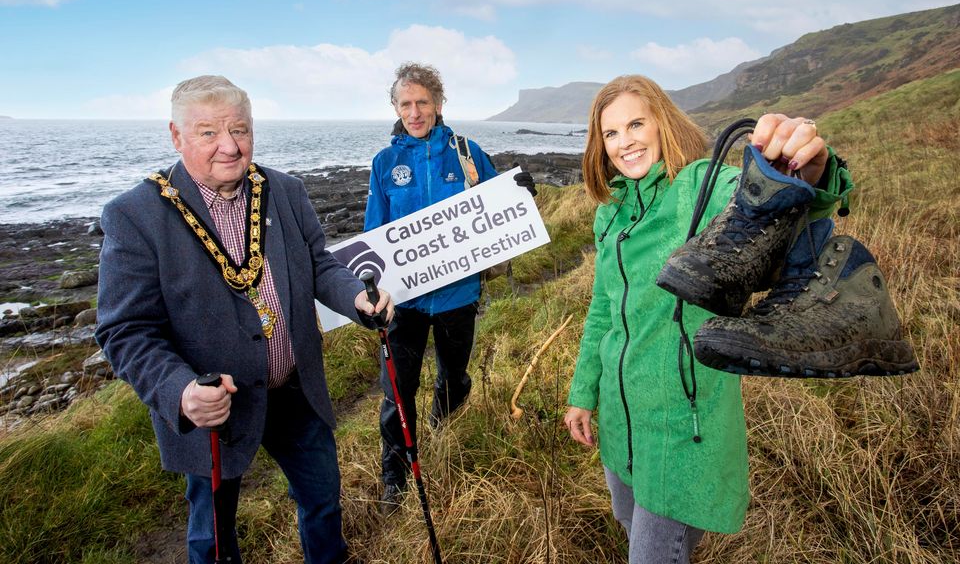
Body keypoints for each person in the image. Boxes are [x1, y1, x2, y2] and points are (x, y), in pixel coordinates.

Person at [95, 75, 394, 564]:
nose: (230, 147)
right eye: (209, 132)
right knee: (212, 536)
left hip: (294, 388)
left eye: (240, 129)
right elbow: (125, 330)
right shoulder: (135, 215)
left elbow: (319, 263)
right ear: (177, 135)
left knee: (322, 504)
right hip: (212, 408)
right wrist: (181, 391)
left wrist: (356, 300)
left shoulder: (286, 190)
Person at [564, 75, 852, 563]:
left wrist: (803, 173)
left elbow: (766, 204)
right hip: (619, 415)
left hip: (682, 427)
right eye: (610, 133)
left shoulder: (698, 185)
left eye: (636, 123)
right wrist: (583, 394)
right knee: (630, 523)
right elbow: (603, 312)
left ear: (663, 123)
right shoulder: (609, 214)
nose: (624, 142)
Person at [364, 62, 536, 512]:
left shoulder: (466, 152)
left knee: (453, 380)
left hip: (459, 295)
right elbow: (373, 233)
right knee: (397, 392)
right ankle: (395, 475)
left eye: (423, 102)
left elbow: (496, 206)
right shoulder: (385, 164)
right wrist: (370, 293)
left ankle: (446, 443)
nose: (415, 112)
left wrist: (521, 193)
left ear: (438, 104)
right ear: (396, 108)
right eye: (406, 104)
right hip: (404, 303)